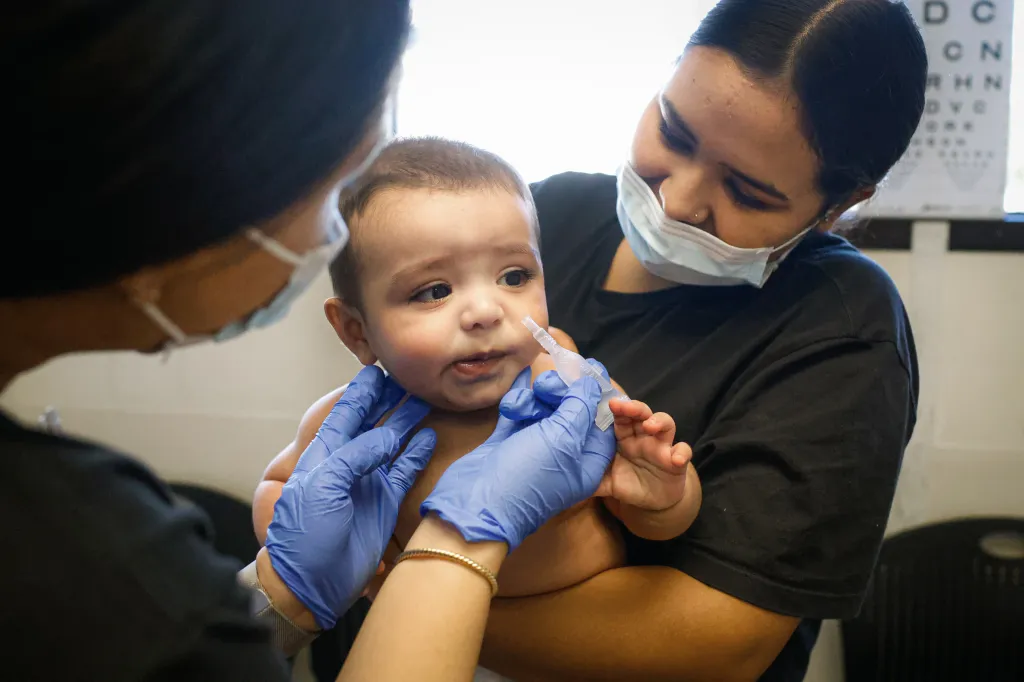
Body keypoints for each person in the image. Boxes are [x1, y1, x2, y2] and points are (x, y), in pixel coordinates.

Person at [265, 0, 926, 680]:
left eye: (748, 192)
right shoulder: (540, 216)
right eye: (674, 132)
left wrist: (397, 586)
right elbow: (288, 515)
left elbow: (719, 643)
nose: (677, 201)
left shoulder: (843, 327)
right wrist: (315, 579)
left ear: (839, 205)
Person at [0, 3, 619, 681]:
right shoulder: (109, 573)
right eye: (328, 194)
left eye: (514, 275)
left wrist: (281, 600)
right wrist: (446, 546)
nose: (483, 310)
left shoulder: (557, 374)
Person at [253, 137, 702, 600]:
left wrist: (664, 493)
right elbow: (278, 488)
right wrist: (322, 570)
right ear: (356, 331)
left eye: (514, 277)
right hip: (420, 630)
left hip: (588, 630)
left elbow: (659, 524)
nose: (486, 312)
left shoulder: (567, 380)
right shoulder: (356, 426)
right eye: (434, 291)